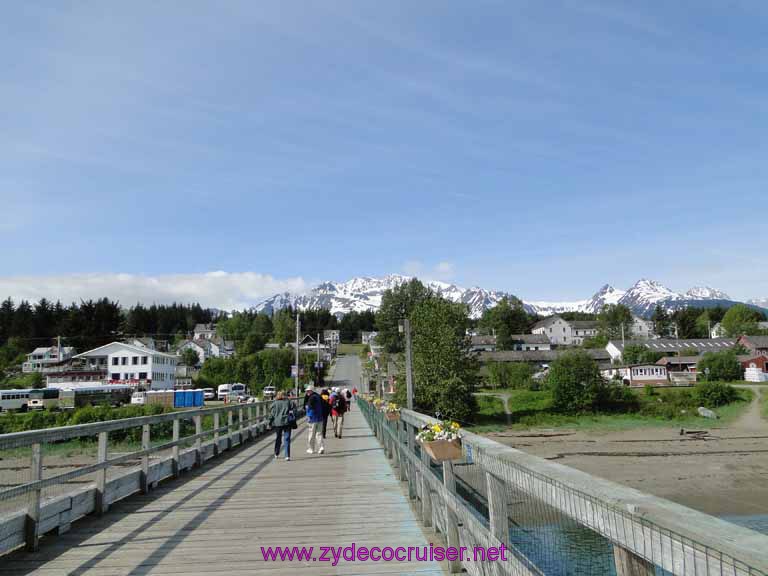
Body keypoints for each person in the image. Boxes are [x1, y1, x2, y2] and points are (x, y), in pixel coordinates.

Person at [269, 391, 296, 461]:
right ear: (285, 395)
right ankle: (287, 455)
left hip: (278, 423)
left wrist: (270, 422)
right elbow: (294, 408)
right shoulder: (289, 402)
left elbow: (271, 414)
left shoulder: (275, 403)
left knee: (278, 438)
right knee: (287, 439)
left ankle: (276, 453)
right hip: (287, 422)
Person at [304, 384, 325, 454]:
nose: (307, 392)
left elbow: (310, 408)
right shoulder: (319, 396)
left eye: (308, 391)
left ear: (311, 391)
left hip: (313, 418)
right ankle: (321, 447)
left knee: (311, 434)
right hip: (320, 418)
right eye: (307, 391)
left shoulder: (311, 398)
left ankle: (311, 448)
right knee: (319, 434)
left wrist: (308, 416)